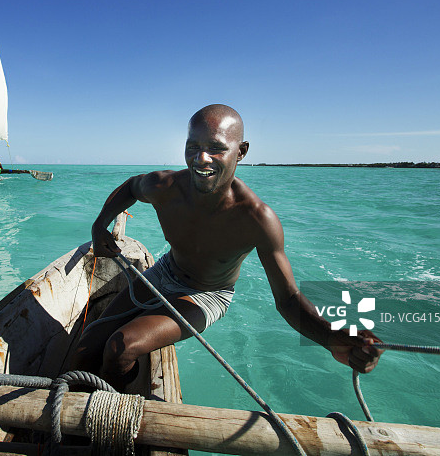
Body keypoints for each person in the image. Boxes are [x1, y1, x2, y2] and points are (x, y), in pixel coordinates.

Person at [73, 104, 381, 390]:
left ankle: (114, 412)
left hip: (207, 295)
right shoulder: (165, 187)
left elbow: (287, 299)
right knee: (87, 345)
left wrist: (332, 338)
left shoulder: (257, 218)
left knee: (120, 348)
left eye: (216, 148)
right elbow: (130, 187)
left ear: (241, 151)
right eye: (193, 147)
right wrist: (99, 225)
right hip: (164, 272)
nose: (201, 158)